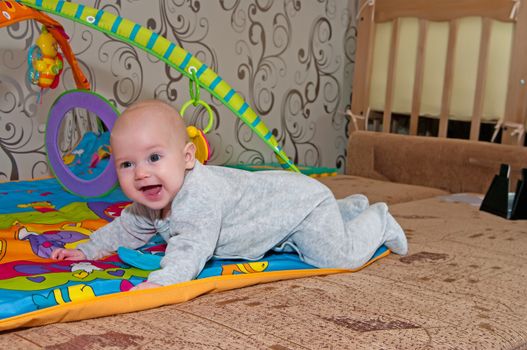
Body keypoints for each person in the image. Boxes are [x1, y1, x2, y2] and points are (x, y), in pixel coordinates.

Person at [51, 99, 408, 291]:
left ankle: (377, 219)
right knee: (315, 238)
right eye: (127, 164)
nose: (141, 172)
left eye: (154, 157)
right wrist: (86, 249)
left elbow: (190, 246)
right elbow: (126, 228)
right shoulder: (152, 199)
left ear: (187, 157)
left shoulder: (198, 195)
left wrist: (163, 282)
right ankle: (346, 209)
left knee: (334, 256)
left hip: (301, 207)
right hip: (279, 211)